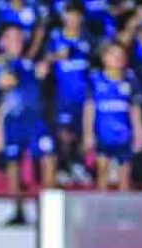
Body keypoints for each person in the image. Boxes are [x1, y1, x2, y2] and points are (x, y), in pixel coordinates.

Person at [0, 24, 56, 225]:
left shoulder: (31, 63)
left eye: (19, 37)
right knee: (13, 163)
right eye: (12, 38)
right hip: (13, 120)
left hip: (36, 120)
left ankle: (50, 211)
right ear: (3, 42)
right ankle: (17, 209)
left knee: (49, 158)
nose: (17, 42)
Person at [83, 41, 142, 191]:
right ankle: (101, 204)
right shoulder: (95, 80)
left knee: (124, 175)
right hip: (103, 134)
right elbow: (89, 108)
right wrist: (87, 134)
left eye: (121, 55)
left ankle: (124, 204)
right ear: (104, 58)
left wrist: (139, 132)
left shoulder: (131, 80)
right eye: (113, 55)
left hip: (124, 135)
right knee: (102, 171)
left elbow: (135, 109)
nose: (118, 59)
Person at [46, 2, 95, 186]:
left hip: (83, 96)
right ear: (63, 17)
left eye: (76, 16)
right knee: (64, 134)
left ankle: (78, 165)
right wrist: (56, 57)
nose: (73, 19)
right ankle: (63, 166)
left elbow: (97, 61)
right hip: (62, 96)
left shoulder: (87, 39)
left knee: (81, 133)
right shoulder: (55, 38)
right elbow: (43, 61)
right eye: (69, 15)